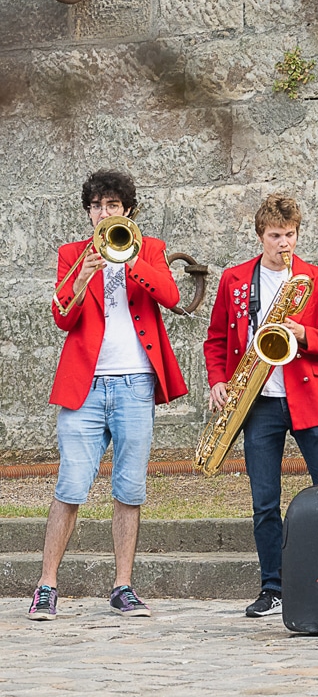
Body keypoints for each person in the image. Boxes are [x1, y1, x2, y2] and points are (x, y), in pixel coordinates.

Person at [29, 170, 188, 621]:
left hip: (136, 381)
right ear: (88, 212)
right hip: (86, 384)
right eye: (97, 206)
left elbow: (173, 295)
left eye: (112, 206)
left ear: (127, 211)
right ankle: (46, 586)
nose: (104, 213)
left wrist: (129, 260)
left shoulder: (150, 248)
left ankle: (122, 586)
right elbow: (62, 316)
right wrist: (85, 274)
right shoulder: (72, 254)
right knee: (71, 484)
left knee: (129, 488)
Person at [204, 194, 318, 618]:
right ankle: (274, 587)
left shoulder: (317, 279)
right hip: (257, 401)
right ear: (260, 236)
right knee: (264, 501)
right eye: (275, 236)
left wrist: (301, 332)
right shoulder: (234, 280)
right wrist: (217, 381)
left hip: (310, 399)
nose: (284, 243)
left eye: (290, 235)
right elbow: (214, 340)